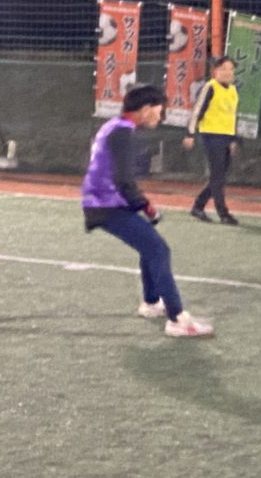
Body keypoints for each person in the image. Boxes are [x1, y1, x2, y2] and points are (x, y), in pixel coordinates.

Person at [81, 84, 215, 338]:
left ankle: (152, 303)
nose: (160, 116)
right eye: (159, 110)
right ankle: (177, 320)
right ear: (145, 109)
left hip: (106, 202)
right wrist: (146, 206)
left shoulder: (116, 127)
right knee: (158, 250)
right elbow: (123, 180)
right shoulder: (122, 132)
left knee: (149, 247)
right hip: (106, 204)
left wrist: (139, 204)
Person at [184, 55, 240, 225]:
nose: (227, 72)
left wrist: (233, 139)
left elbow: (231, 116)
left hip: (226, 137)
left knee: (220, 176)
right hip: (211, 136)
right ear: (215, 71)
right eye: (223, 69)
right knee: (218, 177)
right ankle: (223, 213)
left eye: (230, 69)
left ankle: (198, 206)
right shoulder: (210, 87)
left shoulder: (233, 90)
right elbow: (197, 111)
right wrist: (190, 134)